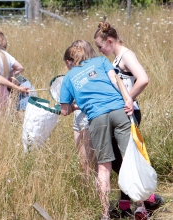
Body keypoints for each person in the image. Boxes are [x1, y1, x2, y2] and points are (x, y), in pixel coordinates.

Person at [60, 45, 139, 220]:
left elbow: (64, 111)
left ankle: (105, 215)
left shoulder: (68, 78)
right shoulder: (101, 60)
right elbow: (115, 81)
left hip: (97, 118)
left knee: (104, 167)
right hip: (119, 110)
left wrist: (76, 105)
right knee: (129, 159)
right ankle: (140, 207)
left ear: (69, 61)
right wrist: (128, 100)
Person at [94, 21, 164, 219]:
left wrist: (129, 98)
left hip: (129, 112)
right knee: (122, 160)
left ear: (109, 41)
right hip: (121, 112)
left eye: (100, 47)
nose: (100, 51)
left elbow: (143, 78)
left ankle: (143, 202)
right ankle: (127, 204)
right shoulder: (116, 58)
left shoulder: (126, 55)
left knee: (128, 158)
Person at [70, 40, 98, 176]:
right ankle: (87, 191)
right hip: (77, 117)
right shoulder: (75, 71)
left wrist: (74, 106)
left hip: (89, 116)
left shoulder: (93, 71)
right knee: (82, 160)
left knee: (92, 158)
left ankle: (98, 192)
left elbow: (94, 93)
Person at [0, 31, 36, 111]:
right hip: (19, 83)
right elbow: (20, 68)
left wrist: (4, 76)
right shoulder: (6, 55)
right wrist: (7, 75)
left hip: (16, 85)